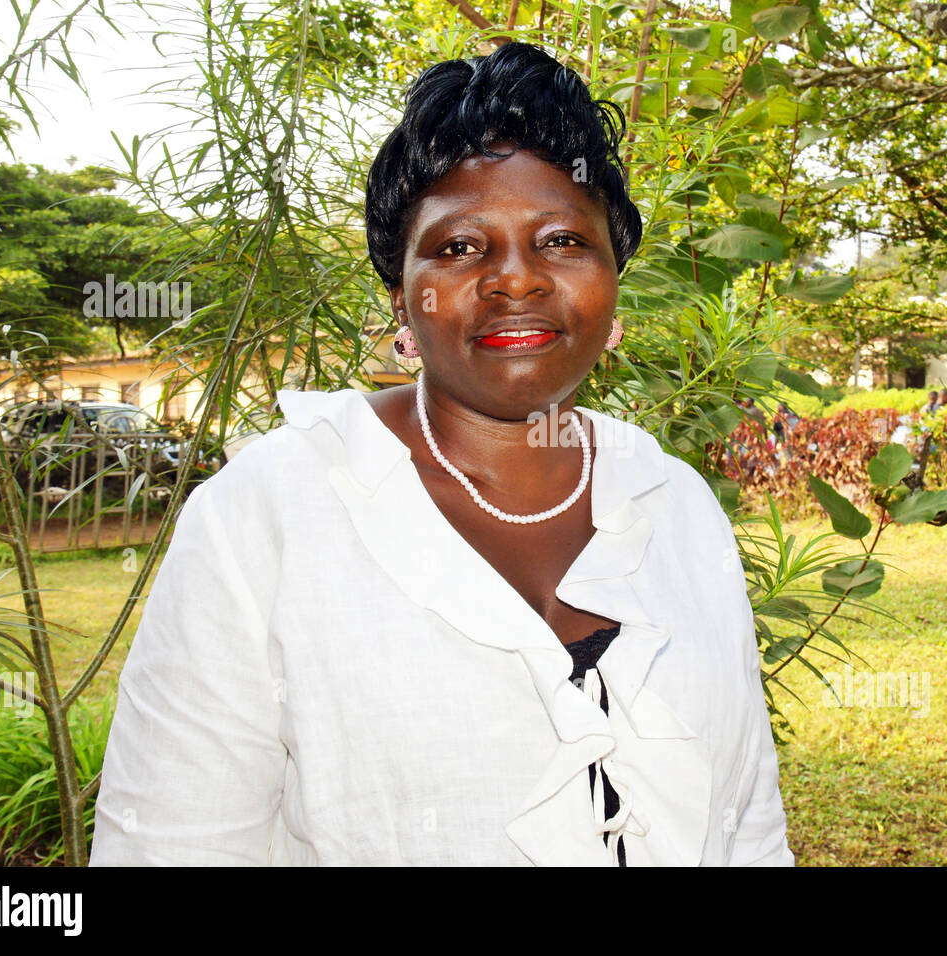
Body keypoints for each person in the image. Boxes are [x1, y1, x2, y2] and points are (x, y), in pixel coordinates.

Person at [89, 41, 792, 867]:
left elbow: (748, 829)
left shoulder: (675, 506)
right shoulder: (266, 518)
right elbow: (176, 846)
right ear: (402, 299)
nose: (515, 280)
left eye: (563, 240)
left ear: (613, 285)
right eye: (460, 247)